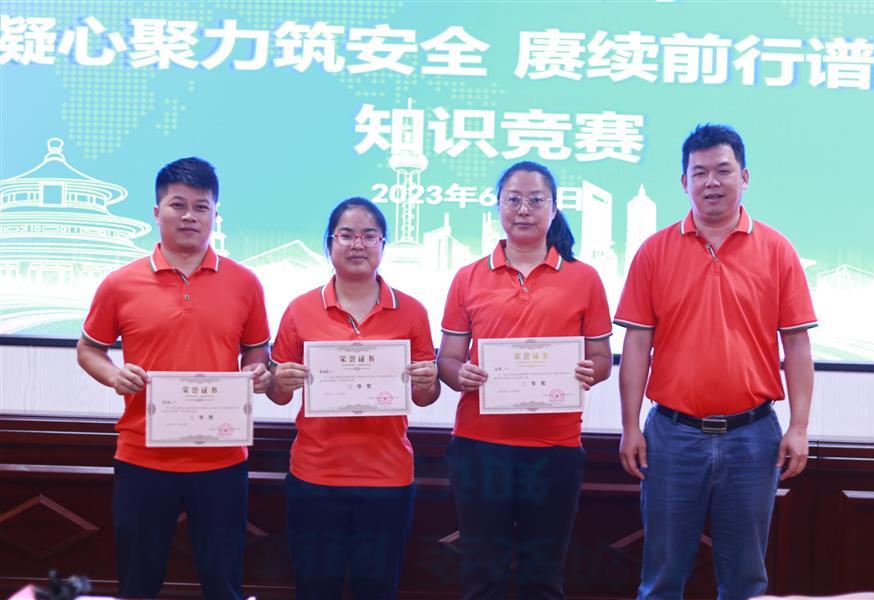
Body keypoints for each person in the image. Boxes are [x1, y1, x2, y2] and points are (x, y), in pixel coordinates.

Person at [615, 124, 817, 600]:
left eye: (723, 170)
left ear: (744, 177)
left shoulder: (777, 250)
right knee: (661, 577)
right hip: (672, 436)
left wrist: (799, 427)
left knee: (745, 579)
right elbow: (637, 346)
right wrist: (629, 427)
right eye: (700, 172)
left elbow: (797, 346)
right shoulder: (654, 251)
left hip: (753, 437)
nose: (712, 182)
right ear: (683, 181)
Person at [76, 157, 271, 599]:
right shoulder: (120, 283)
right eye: (178, 205)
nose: (189, 216)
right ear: (156, 211)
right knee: (138, 582)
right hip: (143, 456)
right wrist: (114, 375)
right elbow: (88, 350)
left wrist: (254, 370)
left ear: (215, 214)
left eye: (202, 207)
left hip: (222, 457)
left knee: (223, 582)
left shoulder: (245, 283)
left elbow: (256, 350)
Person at [437, 161, 613, 599]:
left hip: (554, 448)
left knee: (543, 575)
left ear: (554, 208)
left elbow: (601, 359)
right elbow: (448, 360)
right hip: (481, 446)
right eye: (513, 199)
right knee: (483, 574)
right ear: (498, 206)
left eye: (536, 200)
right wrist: (461, 374)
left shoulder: (585, 278)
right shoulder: (468, 277)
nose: (523, 210)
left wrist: (591, 370)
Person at [267, 197, 440, 599]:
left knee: (377, 589)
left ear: (383, 244)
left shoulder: (412, 311)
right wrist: (281, 381)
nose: (357, 244)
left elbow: (426, 397)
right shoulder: (300, 309)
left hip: (387, 478)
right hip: (315, 476)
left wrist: (428, 381)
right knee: (315, 588)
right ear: (329, 243)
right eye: (346, 235)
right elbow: (277, 395)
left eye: (368, 235)